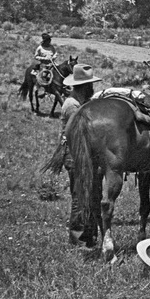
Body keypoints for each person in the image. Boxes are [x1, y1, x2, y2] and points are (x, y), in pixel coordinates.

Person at [61, 64, 102, 247]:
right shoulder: (72, 105)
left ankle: (90, 235)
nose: (92, 88)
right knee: (80, 196)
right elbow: (79, 134)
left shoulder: (81, 103)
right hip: (75, 154)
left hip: (85, 153)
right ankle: (77, 238)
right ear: (84, 86)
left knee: (92, 194)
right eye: (90, 85)